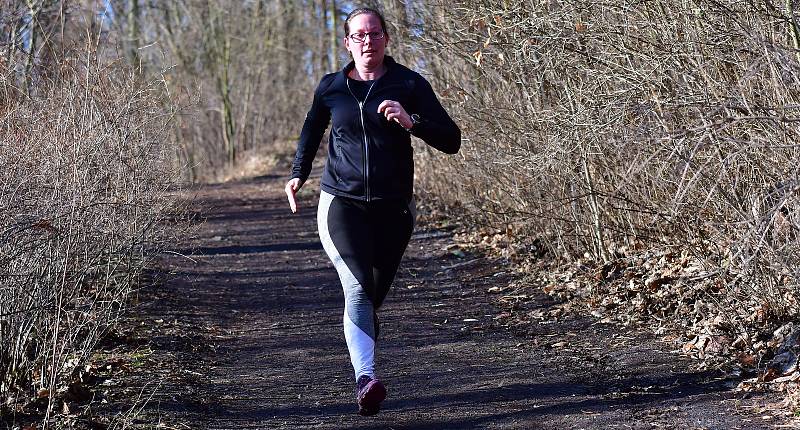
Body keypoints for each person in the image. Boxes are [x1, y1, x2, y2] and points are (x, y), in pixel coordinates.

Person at [285, 7, 461, 416]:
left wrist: (411, 121)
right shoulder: (331, 87)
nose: (368, 41)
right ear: (347, 42)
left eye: (375, 34)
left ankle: (361, 334)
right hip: (340, 203)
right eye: (359, 36)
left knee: (371, 296)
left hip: (394, 209)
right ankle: (366, 378)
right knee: (358, 287)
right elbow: (311, 132)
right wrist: (298, 174)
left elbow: (452, 140)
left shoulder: (409, 83)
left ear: (386, 38)